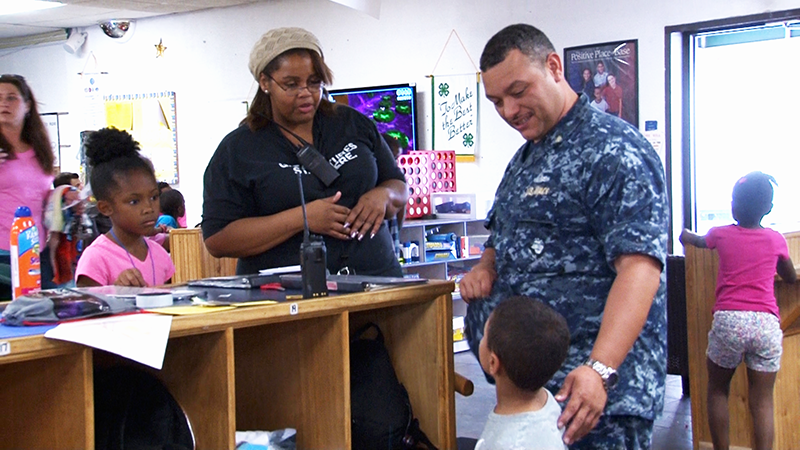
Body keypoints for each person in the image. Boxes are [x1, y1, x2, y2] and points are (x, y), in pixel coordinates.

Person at [459, 24, 668, 449]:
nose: (509, 110)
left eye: (518, 91)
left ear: (554, 67)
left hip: (594, 394)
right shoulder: (526, 158)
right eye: (497, 100)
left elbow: (640, 269)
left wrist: (600, 369)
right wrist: (485, 265)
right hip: (535, 394)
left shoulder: (613, 151)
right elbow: (505, 238)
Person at [202, 27, 407, 276]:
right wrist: (302, 218)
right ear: (265, 82)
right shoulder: (238, 149)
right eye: (291, 85)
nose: (306, 94)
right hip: (288, 295)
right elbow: (217, 239)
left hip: (377, 279)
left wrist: (383, 195)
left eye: (314, 82)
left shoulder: (352, 123)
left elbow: (398, 185)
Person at [679, 172, 795, 450]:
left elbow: (697, 241)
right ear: (768, 209)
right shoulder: (776, 240)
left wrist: (684, 235)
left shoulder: (721, 234)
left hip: (729, 320)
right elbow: (789, 276)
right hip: (766, 324)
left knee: (718, 390)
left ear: (733, 205)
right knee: (763, 399)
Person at [74, 127, 175, 287]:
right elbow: (87, 310)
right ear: (106, 208)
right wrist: (116, 292)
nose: (148, 208)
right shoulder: (96, 258)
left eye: (153, 197)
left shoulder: (160, 255)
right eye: (134, 201)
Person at [474, 296, 571, 450]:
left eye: (484, 336)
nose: (481, 340)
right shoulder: (545, 399)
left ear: (493, 363)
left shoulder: (508, 444)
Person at [0, 74, 55, 298]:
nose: (4, 103)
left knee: (40, 316)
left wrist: (63, 197)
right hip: (2, 253)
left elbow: (42, 196)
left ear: (28, 106)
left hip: (36, 250)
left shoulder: (39, 149)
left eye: (12, 97)